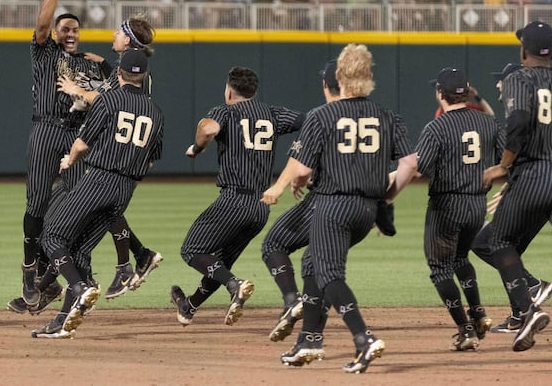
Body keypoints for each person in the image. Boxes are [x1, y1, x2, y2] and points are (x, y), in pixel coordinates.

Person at [263, 43, 417, 373]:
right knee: (313, 265)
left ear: (338, 77)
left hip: (333, 205)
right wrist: (388, 198)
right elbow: (410, 164)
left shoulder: (322, 115)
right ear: (370, 76)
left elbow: (302, 170)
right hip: (366, 210)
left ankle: (364, 337)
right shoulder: (388, 116)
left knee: (330, 273)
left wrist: (296, 183)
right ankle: (309, 340)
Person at [34, 48, 164, 338]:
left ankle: (82, 287)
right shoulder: (156, 112)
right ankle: (63, 320)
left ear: (119, 73)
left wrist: (69, 160)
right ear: (142, 76)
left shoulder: (110, 98)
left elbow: (81, 144)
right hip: (126, 189)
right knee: (79, 250)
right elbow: (152, 159)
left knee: (53, 237)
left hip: (98, 179)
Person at [5, 0, 111, 316]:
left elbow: (117, 91)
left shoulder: (88, 62)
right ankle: (29, 268)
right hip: (47, 129)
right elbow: (40, 23)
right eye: (65, 28)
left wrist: (105, 69)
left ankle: (79, 277)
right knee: (36, 205)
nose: (70, 34)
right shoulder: (45, 51)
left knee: (80, 208)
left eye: (75, 30)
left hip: (78, 135)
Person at [170, 67, 304, 327]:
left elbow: (208, 129)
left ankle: (235, 285)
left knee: (192, 250)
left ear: (229, 91)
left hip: (234, 200)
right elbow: (310, 121)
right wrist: (303, 151)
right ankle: (189, 306)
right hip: (261, 206)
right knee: (219, 263)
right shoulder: (272, 113)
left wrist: (197, 147)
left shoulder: (225, 110)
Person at [55, 16, 163, 302]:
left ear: (128, 40)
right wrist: (104, 64)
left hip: (113, 153)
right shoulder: (131, 67)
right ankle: (137, 258)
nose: (115, 34)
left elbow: (106, 99)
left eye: (120, 31)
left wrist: (75, 90)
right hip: (126, 157)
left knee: (63, 229)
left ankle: (114, 268)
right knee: (109, 210)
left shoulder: (128, 70)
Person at [482, 21, 552, 352]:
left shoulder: (519, 78)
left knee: (498, 239)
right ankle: (528, 298)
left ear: (524, 52)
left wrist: (503, 167)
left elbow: (518, 122)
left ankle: (528, 308)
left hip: (535, 174)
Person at [411, 67, 503, 351]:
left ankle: (465, 330)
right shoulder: (489, 123)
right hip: (477, 206)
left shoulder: (436, 127)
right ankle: (478, 313)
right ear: (466, 91)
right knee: (461, 259)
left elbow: (421, 168)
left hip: (446, 206)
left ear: (441, 93)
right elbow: (505, 160)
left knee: (440, 268)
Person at [470, 61, 552, 334]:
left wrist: (510, 189)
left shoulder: (519, 117)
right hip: (544, 193)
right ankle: (521, 314)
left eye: (502, 80)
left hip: (533, 193)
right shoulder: (535, 116)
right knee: (508, 252)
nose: (498, 84)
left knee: (485, 242)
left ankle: (531, 286)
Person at [262, 60, 340, 343]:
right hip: (360, 206)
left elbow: (300, 161)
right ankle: (312, 334)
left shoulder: (320, 115)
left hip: (325, 200)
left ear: (325, 85)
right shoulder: (371, 114)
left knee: (275, 244)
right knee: (323, 264)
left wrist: (281, 185)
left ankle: (294, 302)